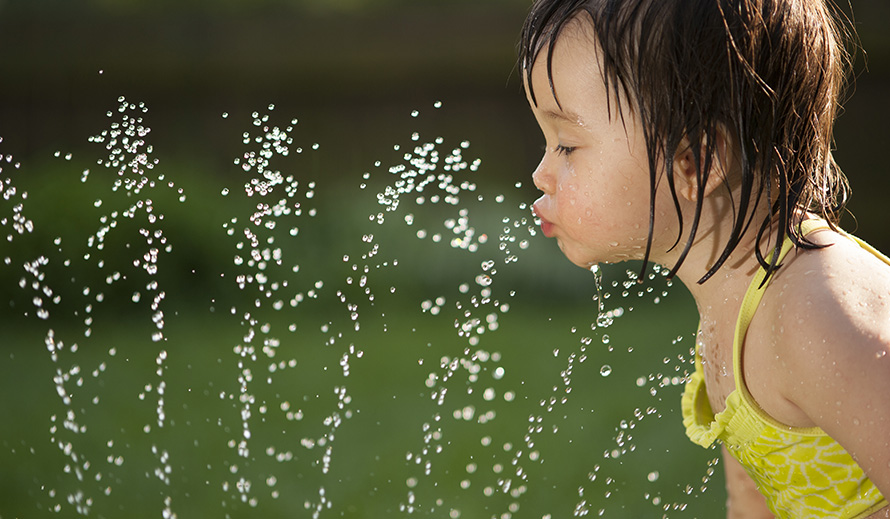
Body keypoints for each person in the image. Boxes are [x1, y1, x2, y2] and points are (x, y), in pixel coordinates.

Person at [518, 1, 890, 517]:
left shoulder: (813, 313)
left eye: (566, 145)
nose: (541, 173)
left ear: (697, 161)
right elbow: (756, 499)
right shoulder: (733, 309)